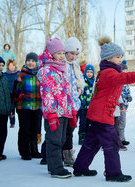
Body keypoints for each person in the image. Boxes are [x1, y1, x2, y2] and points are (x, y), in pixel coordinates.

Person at [73, 37, 135, 182]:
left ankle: (80, 167)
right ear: (108, 58)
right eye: (118, 57)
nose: (120, 60)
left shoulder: (107, 71)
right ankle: (113, 173)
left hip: (98, 114)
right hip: (102, 115)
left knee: (92, 143)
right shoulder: (110, 73)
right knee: (112, 144)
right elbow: (126, 78)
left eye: (121, 57)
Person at [37, 37, 73, 178]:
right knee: (54, 140)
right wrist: (50, 113)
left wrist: (71, 111)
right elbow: (47, 94)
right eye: (58, 53)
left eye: (63, 53)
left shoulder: (62, 70)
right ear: (51, 54)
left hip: (64, 111)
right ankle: (55, 168)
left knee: (62, 139)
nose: (62, 56)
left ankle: (56, 165)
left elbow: (66, 92)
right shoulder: (47, 71)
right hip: (54, 113)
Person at [14, 52, 42, 160]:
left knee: (35, 129)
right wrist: (17, 104)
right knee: (25, 129)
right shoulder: (21, 75)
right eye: (28, 61)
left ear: (36, 62)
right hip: (24, 107)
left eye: (33, 61)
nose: (31, 63)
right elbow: (16, 91)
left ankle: (34, 150)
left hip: (37, 106)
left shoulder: (40, 75)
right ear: (26, 62)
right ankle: (25, 152)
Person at [63, 37, 85, 167]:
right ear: (65, 52)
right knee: (61, 132)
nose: (73, 56)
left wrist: (80, 89)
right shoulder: (62, 64)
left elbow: (80, 79)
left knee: (70, 130)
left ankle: (68, 155)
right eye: (71, 53)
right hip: (63, 104)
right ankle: (50, 154)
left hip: (74, 104)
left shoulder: (75, 65)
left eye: (76, 54)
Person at [115, 60, 133, 146]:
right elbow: (119, 94)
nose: (125, 72)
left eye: (126, 70)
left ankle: (122, 138)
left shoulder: (126, 81)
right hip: (119, 106)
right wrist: (122, 101)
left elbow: (127, 91)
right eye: (123, 70)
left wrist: (129, 96)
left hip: (125, 106)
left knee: (122, 123)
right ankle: (118, 139)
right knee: (118, 123)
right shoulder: (119, 81)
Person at [78, 64, 95, 145]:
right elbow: (80, 93)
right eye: (87, 72)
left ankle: (88, 137)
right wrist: (83, 101)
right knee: (83, 122)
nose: (89, 74)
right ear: (85, 72)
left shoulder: (94, 83)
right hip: (83, 107)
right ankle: (81, 137)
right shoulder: (83, 82)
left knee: (89, 123)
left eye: (91, 72)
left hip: (92, 108)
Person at [4, 59, 19, 128]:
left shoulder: (18, 73)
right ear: (7, 66)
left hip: (17, 93)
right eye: (10, 65)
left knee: (18, 108)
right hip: (9, 94)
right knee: (11, 109)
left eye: (13, 65)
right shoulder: (5, 74)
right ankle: (12, 122)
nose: (12, 67)